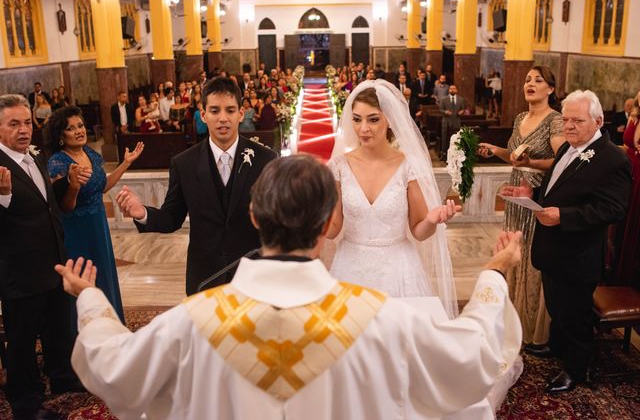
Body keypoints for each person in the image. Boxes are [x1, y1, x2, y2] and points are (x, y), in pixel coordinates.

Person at [58, 155, 523, 420]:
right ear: (326, 226)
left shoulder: (194, 320)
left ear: (255, 218)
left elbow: (113, 365)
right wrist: (494, 271)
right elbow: (472, 355)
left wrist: (91, 298)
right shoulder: (382, 318)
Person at [503, 89, 631, 393]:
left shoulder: (612, 159)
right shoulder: (566, 149)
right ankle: (558, 349)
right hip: (552, 248)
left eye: (577, 120)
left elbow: (614, 209)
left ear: (598, 121)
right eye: (567, 120)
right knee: (557, 307)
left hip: (578, 253)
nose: (569, 126)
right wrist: (531, 196)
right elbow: (555, 189)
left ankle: (576, 370)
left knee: (575, 314)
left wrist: (565, 216)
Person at [115, 76, 278, 295]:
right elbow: (172, 217)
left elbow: (276, 219)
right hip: (205, 277)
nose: (223, 118)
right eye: (214, 110)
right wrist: (142, 212)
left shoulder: (265, 159)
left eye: (230, 110)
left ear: (241, 113)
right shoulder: (184, 163)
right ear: (203, 114)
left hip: (253, 275)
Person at [326, 79, 460, 318]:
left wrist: (432, 219)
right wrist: (307, 218)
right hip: (350, 267)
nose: (363, 128)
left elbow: (419, 230)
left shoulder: (408, 166)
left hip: (398, 269)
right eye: (357, 119)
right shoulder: (338, 166)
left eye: (373, 119)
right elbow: (333, 228)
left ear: (389, 119)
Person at [0, 94, 80, 420]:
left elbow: (46, 205)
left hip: (52, 262)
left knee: (56, 328)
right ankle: (26, 402)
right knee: (21, 340)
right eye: (13, 124)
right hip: (19, 271)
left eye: (27, 122)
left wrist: (66, 186)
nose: (24, 130)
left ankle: (62, 377)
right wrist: (2, 197)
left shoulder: (36, 155)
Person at [478, 66, 565, 347]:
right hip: (516, 195)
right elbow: (515, 158)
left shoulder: (555, 120)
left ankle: (533, 330)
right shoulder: (519, 118)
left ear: (550, 89)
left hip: (537, 195)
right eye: (527, 79)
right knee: (512, 252)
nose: (530, 83)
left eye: (538, 80)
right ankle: (512, 321)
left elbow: (560, 161)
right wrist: (495, 150)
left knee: (531, 257)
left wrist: (530, 164)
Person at [45, 106, 144, 323]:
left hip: (99, 225)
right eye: (71, 129)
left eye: (80, 125)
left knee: (104, 275)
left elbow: (103, 186)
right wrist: (73, 185)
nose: (79, 131)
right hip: (77, 230)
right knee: (84, 277)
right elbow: (66, 207)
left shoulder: (90, 153)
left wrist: (126, 163)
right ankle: (83, 331)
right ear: (61, 136)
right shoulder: (58, 162)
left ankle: (110, 325)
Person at [616, 94, 640, 286]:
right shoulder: (634, 117)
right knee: (623, 222)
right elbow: (626, 147)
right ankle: (618, 270)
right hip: (628, 173)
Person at [439, 84, 466, 156]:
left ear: (456, 90)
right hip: (446, 121)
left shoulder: (461, 99)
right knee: (445, 138)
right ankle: (444, 153)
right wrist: (445, 112)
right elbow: (440, 109)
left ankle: (456, 153)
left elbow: (463, 109)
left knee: (456, 138)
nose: (452, 90)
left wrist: (462, 111)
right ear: (449, 90)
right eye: (451, 88)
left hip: (456, 121)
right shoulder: (444, 99)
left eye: (454, 88)